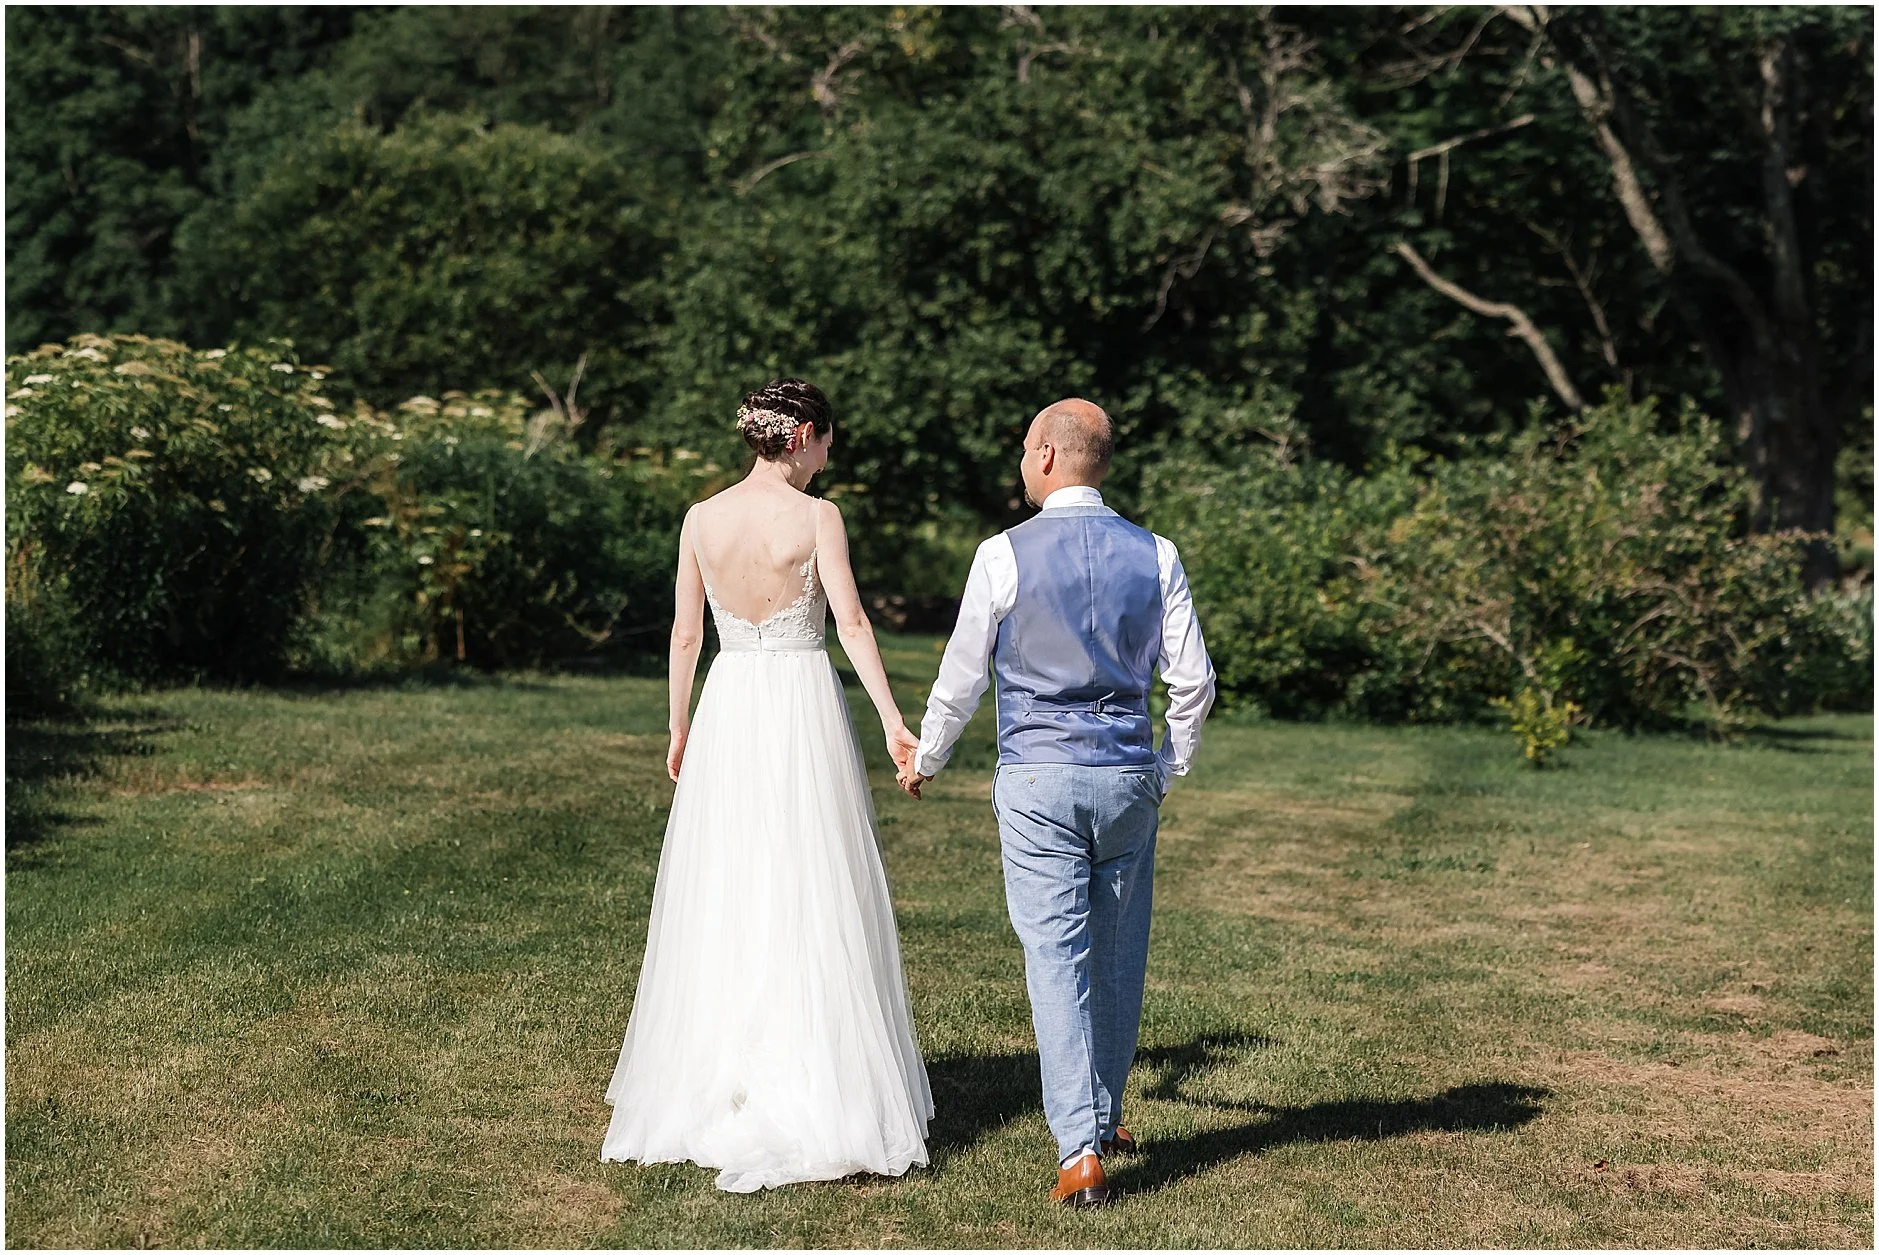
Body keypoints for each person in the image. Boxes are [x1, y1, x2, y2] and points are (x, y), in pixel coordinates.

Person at [600, 378, 932, 1193]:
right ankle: (811, 1075)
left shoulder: (701, 518)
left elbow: (685, 633)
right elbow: (851, 623)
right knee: (806, 879)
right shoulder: (817, 518)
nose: (827, 460)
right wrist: (893, 718)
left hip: (731, 704)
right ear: (804, 436)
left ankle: (726, 1071)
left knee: (731, 881)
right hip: (797, 704)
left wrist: (678, 724)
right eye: (826, 444)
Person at [899, 398, 1215, 1208]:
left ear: (1045, 455)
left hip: (1038, 777)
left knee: (1057, 959)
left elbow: (964, 671)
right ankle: (1103, 1119)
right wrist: (1163, 769)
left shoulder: (1002, 554)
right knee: (1116, 955)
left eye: (1021, 451)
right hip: (1123, 778)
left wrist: (926, 755)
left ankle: (1079, 1148)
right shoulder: (1157, 552)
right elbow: (1193, 681)